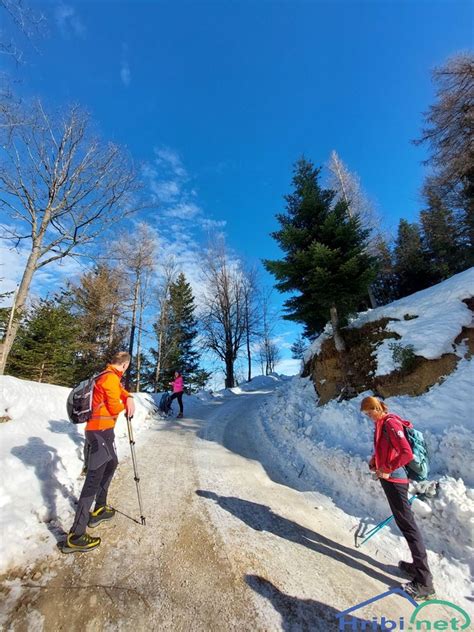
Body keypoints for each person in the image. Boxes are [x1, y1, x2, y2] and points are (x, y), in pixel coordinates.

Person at [360, 396, 435, 600]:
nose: (368, 417)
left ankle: (425, 583)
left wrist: (387, 469)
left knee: (409, 527)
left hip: (396, 481)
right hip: (389, 479)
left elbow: (406, 454)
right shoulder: (381, 423)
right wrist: (376, 460)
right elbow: (386, 448)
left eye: (369, 412)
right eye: (366, 414)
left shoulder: (391, 422)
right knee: (405, 525)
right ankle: (416, 567)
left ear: (377, 408)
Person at [62, 351, 135, 553]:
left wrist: (128, 397)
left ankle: (100, 508)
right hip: (100, 433)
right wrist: (126, 404)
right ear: (125, 365)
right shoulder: (110, 379)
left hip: (103, 432)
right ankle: (76, 535)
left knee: (112, 464)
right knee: (93, 479)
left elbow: (120, 392)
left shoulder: (108, 376)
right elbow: (113, 407)